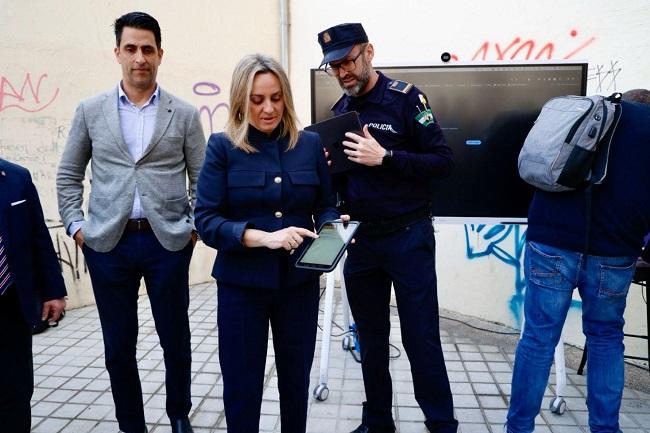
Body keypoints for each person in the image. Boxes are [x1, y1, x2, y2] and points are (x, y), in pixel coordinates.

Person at [56, 11, 205, 433]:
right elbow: (68, 175)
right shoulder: (91, 110)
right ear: (118, 53)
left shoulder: (184, 113)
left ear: (160, 54)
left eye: (147, 49)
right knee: (118, 345)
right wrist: (77, 227)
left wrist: (192, 228)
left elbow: (203, 178)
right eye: (131, 49)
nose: (140, 57)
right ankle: (131, 424)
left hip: (167, 243)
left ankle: (179, 414)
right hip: (108, 244)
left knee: (175, 339)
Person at [317, 23, 458, 433]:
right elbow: (342, 182)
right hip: (362, 242)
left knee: (421, 337)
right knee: (371, 338)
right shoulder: (339, 114)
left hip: (408, 237)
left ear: (369, 52)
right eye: (334, 66)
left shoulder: (407, 99)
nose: (342, 72)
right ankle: (378, 420)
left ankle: (441, 423)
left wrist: (388, 157)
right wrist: (327, 171)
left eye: (347, 61)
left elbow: (443, 162)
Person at [194, 54, 340, 433]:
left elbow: (326, 204)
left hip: (299, 285)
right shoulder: (222, 147)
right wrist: (263, 238)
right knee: (242, 389)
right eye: (257, 100)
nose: (268, 109)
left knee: (296, 383)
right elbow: (206, 221)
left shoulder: (308, 144)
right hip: (242, 288)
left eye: (276, 98)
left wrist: (332, 231)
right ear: (240, 100)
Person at [506, 88, 650, 433]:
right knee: (605, 338)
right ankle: (605, 428)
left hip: (550, 240)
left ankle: (518, 428)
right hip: (614, 250)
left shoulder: (590, 113)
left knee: (538, 338)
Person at [0, 158, 66, 433]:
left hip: (11, 302)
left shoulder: (17, 177)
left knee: (17, 388)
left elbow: (39, 235)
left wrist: (54, 291)